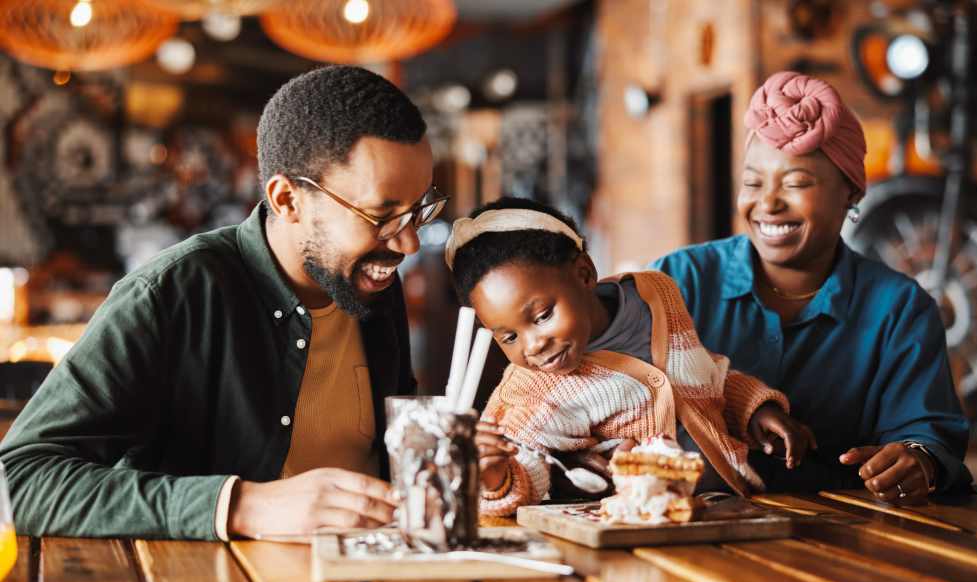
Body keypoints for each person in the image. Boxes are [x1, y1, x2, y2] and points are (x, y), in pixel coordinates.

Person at [0, 65, 448, 539]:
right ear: (288, 200)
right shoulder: (173, 293)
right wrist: (241, 506)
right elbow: (20, 479)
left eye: (418, 210)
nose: (408, 245)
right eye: (381, 216)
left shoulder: (372, 287)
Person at [652, 71, 972, 504]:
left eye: (797, 183)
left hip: (842, 538)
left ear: (850, 193)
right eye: (752, 182)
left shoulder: (899, 309)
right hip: (688, 526)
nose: (767, 203)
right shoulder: (678, 281)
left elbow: (928, 436)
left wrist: (916, 462)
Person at [446, 197, 816, 516]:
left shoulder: (656, 296)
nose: (532, 345)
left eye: (542, 317)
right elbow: (526, 464)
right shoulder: (535, 388)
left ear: (584, 273)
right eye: (508, 336)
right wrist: (496, 479)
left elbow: (702, 375)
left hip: (738, 504)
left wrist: (755, 409)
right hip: (634, 532)